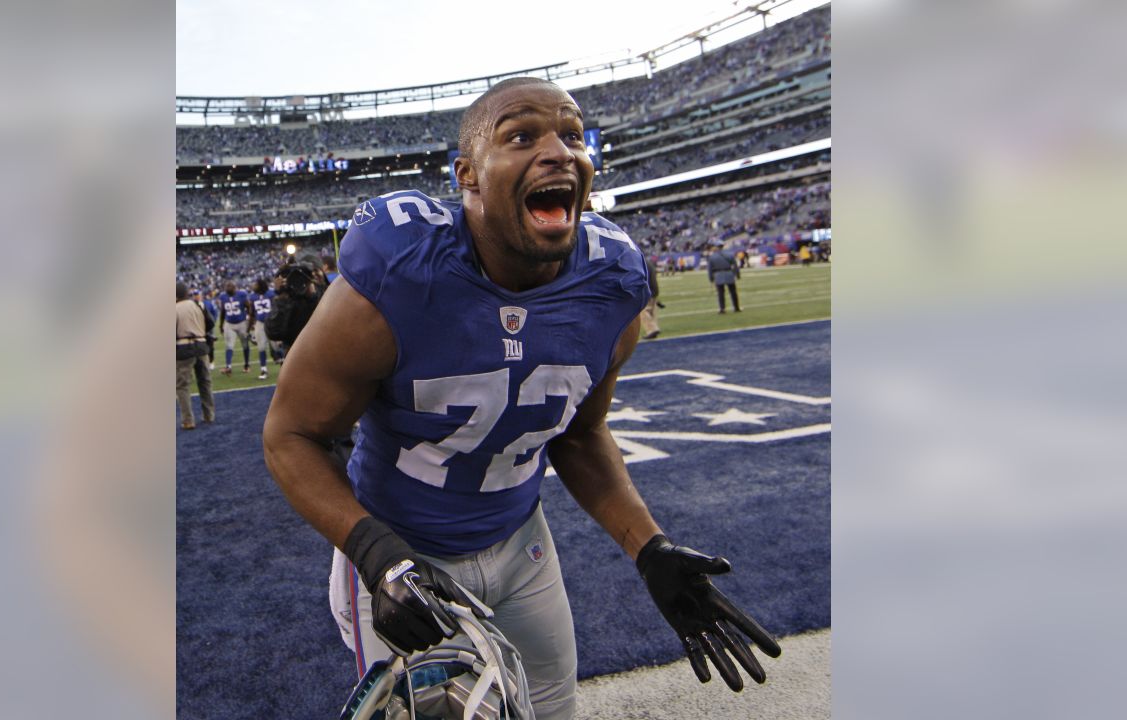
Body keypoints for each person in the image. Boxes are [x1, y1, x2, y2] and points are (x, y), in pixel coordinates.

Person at [263, 77, 779, 719]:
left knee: (553, 709)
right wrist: (377, 557)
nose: (560, 151)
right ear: (468, 176)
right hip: (400, 553)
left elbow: (580, 434)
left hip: (521, 544)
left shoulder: (612, 284)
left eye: (571, 134)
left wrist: (648, 549)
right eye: (521, 135)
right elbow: (291, 435)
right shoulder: (399, 273)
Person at [175, 282, 214, 429]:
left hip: (183, 347)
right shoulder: (198, 305)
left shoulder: (174, 308)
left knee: (183, 386)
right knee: (205, 382)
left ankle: (188, 420)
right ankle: (209, 415)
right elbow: (210, 323)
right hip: (201, 345)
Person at [216, 280, 251, 375]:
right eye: (226, 287)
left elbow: (249, 307)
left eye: (230, 287)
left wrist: (250, 320)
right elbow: (223, 311)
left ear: (235, 287)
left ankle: (247, 365)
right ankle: (228, 367)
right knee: (229, 345)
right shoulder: (223, 296)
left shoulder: (242, 294)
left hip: (242, 322)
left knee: (245, 344)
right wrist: (221, 325)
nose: (227, 288)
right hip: (229, 323)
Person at [249, 278, 277, 379]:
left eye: (255, 284)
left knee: (276, 346)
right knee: (261, 347)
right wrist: (250, 327)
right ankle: (263, 369)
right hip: (260, 323)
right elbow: (252, 312)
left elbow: (276, 308)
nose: (253, 286)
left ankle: (284, 363)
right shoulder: (253, 296)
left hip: (272, 322)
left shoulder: (271, 294)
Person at [707, 241, 741, 314]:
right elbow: (735, 266)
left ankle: (722, 309)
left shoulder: (712, 256)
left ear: (716, 247)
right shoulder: (730, 254)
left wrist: (711, 278)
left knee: (720, 293)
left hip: (718, 275)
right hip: (729, 274)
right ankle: (736, 307)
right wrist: (737, 275)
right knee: (733, 292)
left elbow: (710, 269)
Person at [640, 255, 663, 340]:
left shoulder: (640, 264)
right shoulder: (649, 263)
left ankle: (652, 329)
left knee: (643, 311)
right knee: (652, 312)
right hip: (654, 290)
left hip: (648, 291)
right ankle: (654, 329)